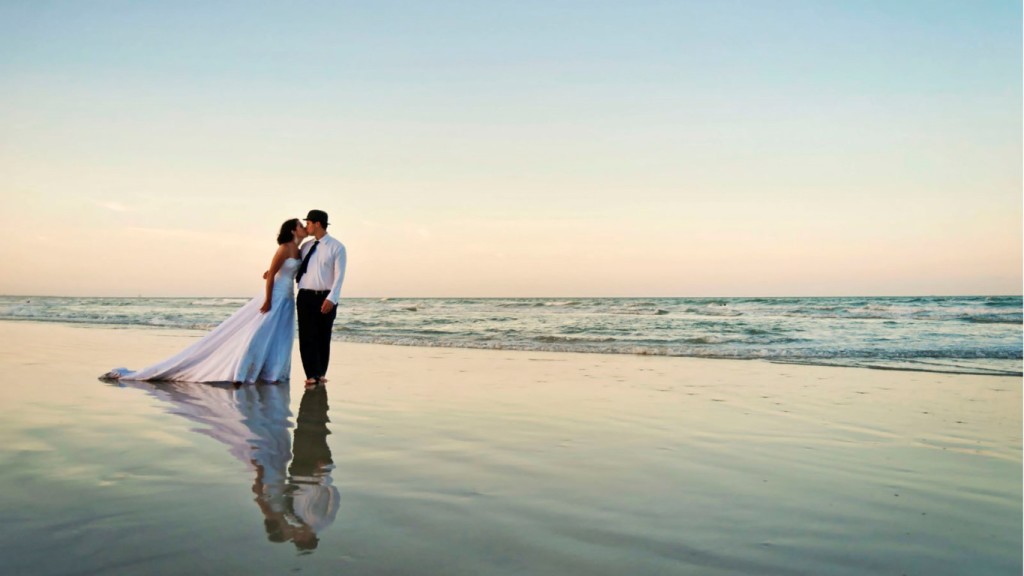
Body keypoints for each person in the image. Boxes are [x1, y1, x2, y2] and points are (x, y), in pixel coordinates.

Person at [103, 218, 309, 383]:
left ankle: (273, 372)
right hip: (276, 295)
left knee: (280, 335)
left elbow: (276, 271)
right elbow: (271, 274)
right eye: (301, 225)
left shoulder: (300, 250)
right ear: (292, 230)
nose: (303, 228)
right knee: (259, 332)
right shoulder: (283, 248)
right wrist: (267, 299)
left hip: (289, 298)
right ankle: (242, 369)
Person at [295, 209, 347, 388]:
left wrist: (332, 299)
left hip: (325, 297)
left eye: (308, 223)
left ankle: (321, 373)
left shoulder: (337, 247)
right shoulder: (306, 247)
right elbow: (295, 267)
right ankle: (311, 375)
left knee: (323, 336)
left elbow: (339, 276)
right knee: (306, 336)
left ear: (317, 223)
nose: (306, 226)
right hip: (304, 296)